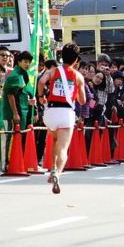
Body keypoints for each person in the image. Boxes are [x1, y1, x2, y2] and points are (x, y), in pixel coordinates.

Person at [38, 43, 86, 194]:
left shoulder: (53, 71)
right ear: (76, 60)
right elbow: (82, 101)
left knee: (55, 140)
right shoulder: (78, 76)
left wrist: (41, 97)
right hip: (66, 113)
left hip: (51, 112)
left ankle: (52, 167)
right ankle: (57, 173)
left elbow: (40, 82)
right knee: (63, 148)